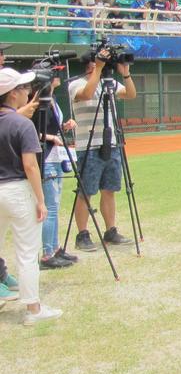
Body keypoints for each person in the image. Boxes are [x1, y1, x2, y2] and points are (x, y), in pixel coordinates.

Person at [0, 68, 62, 324]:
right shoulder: (22, 124)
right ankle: (33, 310)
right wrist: (40, 199)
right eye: (24, 89)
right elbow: (30, 165)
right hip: (17, 190)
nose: (28, 93)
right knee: (27, 253)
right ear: (13, 94)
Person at [69, 49, 136, 252]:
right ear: (91, 64)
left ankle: (110, 230)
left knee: (109, 190)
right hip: (88, 146)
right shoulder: (76, 85)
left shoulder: (109, 84)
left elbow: (131, 94)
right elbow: (87, 94)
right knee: (86, 192)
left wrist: (125, 73)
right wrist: (98, 68)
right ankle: (82, 234)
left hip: (111, 144)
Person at [34, 77, 79, 268]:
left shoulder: (51, 99)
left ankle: (54, 247)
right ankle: (47, 254)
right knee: (50, 208)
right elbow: (33, 131)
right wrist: (52, 136)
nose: (60, 74)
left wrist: (64, 126)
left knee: (55, 205)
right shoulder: (37, 101)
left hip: (55, 157)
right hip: (46, 158)